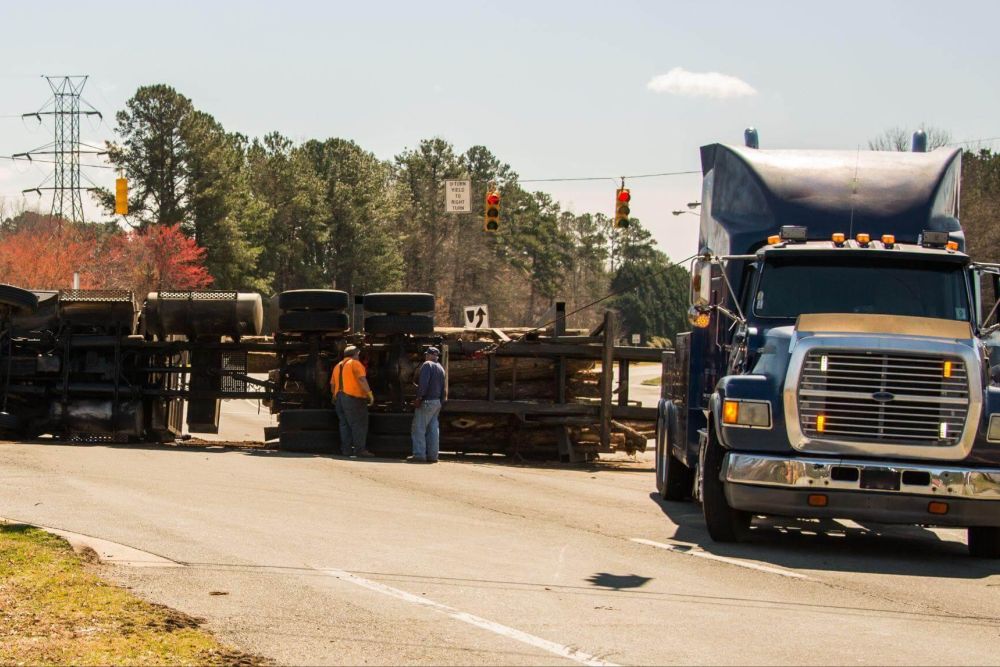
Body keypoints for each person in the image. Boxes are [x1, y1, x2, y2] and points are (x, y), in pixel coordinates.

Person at [330, 345, 375, 458]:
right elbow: (361, 379)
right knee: (358, 424)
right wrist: (369, 394)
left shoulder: (337, 366)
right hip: (352, 398)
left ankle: (346, 450)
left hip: (339, 399)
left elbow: (332, 385)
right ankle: (360, 450)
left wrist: (335, 396)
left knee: (344, 425)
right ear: (356, 354)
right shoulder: (355, 363)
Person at [408, 346, 445, 463]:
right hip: (437, 402)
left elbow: (424, 383)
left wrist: (419, 398)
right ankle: (433, 456)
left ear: (429, 355)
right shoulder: (440, 367)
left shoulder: (427, 364)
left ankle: (419, 455)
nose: (426, 357)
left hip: (427, 401)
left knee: (418, 428)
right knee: (433, 429)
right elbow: (443, 388)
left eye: (426, 355)